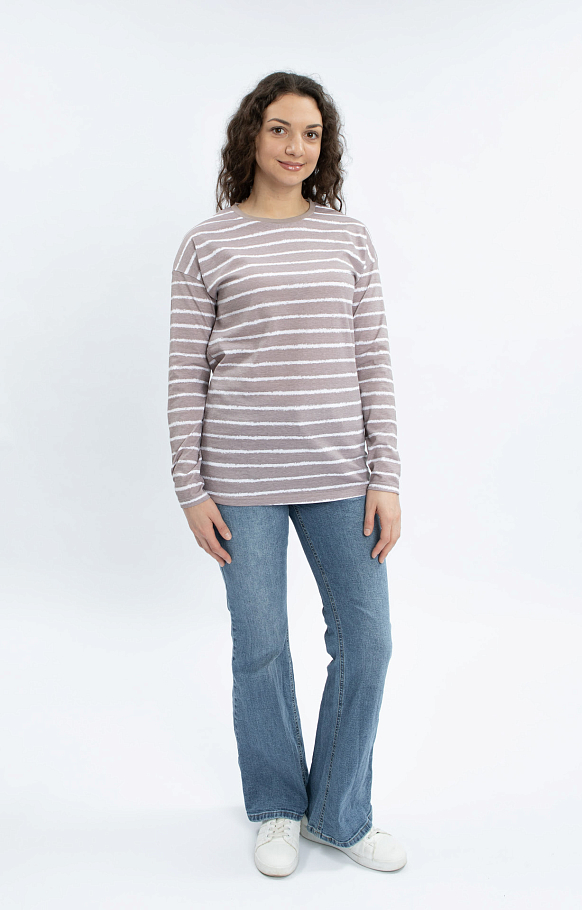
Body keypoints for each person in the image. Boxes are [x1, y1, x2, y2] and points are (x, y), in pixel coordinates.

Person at [168, 71, 407, 877]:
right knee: (261, 646)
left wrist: (386, 476)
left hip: (341, 474)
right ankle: (276, 805)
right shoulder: (207, 243)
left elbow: (372, 361)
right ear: (252, 136)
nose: (295, 146)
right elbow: (184, 372)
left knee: (367, 643)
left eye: (310, 133)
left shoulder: (348, 239)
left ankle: (337, 815)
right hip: (240, 479)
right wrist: (191, 487)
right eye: (279, 129)